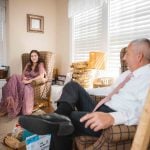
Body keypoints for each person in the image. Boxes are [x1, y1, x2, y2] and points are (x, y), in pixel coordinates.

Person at [19, 38, 150, 150]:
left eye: (127, 53)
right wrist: (82, 91)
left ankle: (55, 119)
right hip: (101, 107)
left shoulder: (147, 78)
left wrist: (113, 118)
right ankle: (58, 117)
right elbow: (110, 90)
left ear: (139, 56)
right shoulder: (127, 74)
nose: (124, 57)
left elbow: (145, 115)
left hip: (111, 118)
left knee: (71, 117)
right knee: (72, 85)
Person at [0, 50, 46, 118]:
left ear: (38, 56)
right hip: (24, 79)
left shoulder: (40, 64)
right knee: (14, 77)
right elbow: (23, 73)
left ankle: (12, 104)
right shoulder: (28, 64)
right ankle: (8, 103)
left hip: (31, 82)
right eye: (32, 56)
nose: (33, 57)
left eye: (35, 56)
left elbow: (42, 76)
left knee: (25, 88)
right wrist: (24, 78)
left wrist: (29, 80)